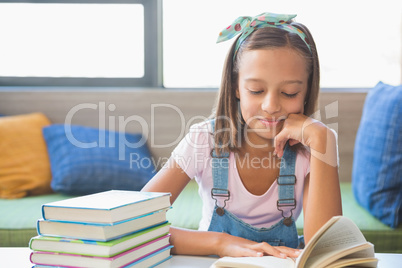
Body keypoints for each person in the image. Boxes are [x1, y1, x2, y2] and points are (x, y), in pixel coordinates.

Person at [142, 12, 342, 259]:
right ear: (236, 86)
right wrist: (220, 243)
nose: (270, 105)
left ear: (306, 90)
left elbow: (327, 252)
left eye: (289, 93)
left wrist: (323, 139)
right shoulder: (205, 139)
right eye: (256, 90)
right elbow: (134, 225)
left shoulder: (312, 146)